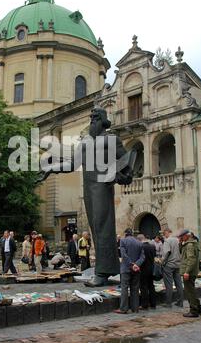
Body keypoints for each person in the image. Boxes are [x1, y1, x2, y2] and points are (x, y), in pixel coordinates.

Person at [37, 106, 135, 287]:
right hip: (89, 188)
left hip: (103, 186)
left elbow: (127, 164)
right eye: (91, 119)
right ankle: (107, 270)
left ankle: (102, 272)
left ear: (103, 121)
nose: (92, 122)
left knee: (102, 226)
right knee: (96, 228)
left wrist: (124, 175)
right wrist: (50, 168)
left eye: (96, 119)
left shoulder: (111, 140)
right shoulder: (85, 142)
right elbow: (72, 164)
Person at [115, 229, 145, 314]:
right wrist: (136, 264)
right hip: (136, 269)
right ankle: (135, 308)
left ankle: (123, 308)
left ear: (125, 234)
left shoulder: (123, 241)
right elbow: (142, 257)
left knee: (124, 288)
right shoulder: (139, 242)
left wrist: (131, 264)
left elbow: (124, 255)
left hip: (126, 268)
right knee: (135, 288)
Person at [178, 229, 201, 318]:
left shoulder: (189, 245)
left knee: (190, 292)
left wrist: (187, 272)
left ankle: (194, 311)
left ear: (186, 236)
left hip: (189, 271)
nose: (180, 238)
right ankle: (199, 308)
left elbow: (191, 259)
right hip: (191, 271)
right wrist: (180, 243)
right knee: (191, 290)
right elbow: (181, 252)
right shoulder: (189, 244)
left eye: (181, 236)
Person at [161, 228, 184, 308]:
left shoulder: (167, 241)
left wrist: (163, 262)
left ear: (167, 232)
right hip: (177, 264)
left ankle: (168, 303)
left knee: (169, 284)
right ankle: (180, 302)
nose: (164, 235)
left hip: (169, 265)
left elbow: (167, 252)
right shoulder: (178, 240)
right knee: (179, 284)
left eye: (164, 234)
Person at [138, 234, 156, 310]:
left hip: (143, 269)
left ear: (139, 240)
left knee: (144, 287)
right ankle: (153, 303)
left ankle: (144, 304)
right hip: (151, 268)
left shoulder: (141, 247)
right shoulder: (152, 246)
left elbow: (141, 258)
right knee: (151, 286)